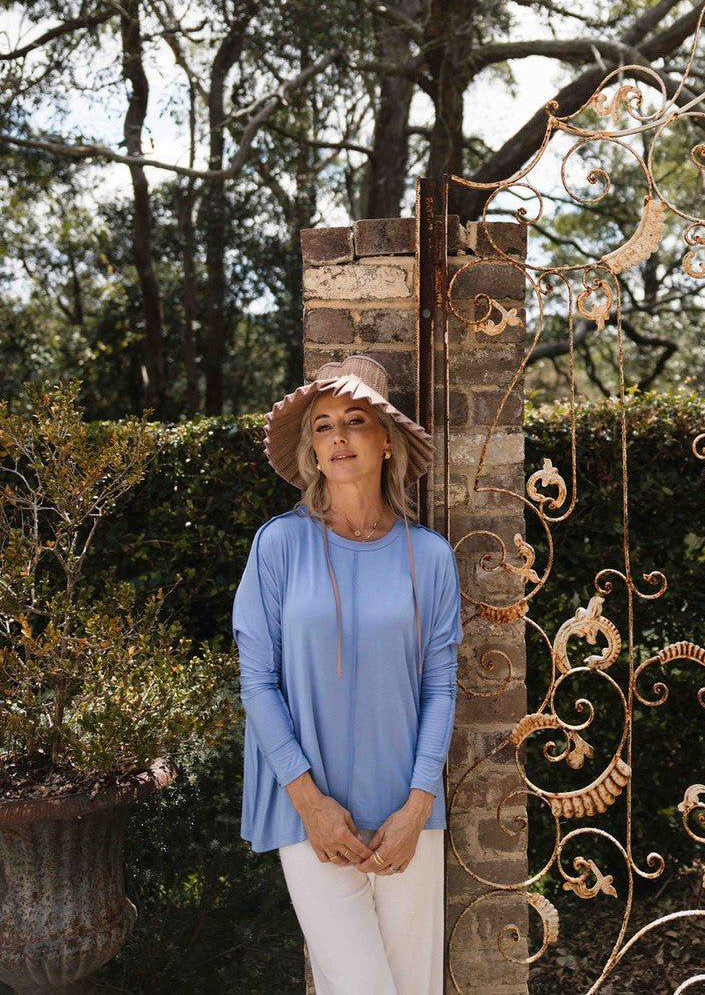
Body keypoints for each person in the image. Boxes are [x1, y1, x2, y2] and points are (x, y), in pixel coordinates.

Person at [233, 355, 461, 995]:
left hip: (406, 812)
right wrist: (309, 802)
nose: (338, 436)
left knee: (414, 987)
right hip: (309, 810)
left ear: (386, 440)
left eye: (355, 421)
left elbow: (440, 687)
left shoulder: (430, 557)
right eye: (324, 424)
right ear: (312, 447)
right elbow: (258, 681)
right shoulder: (279, 545)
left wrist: (418, 805)